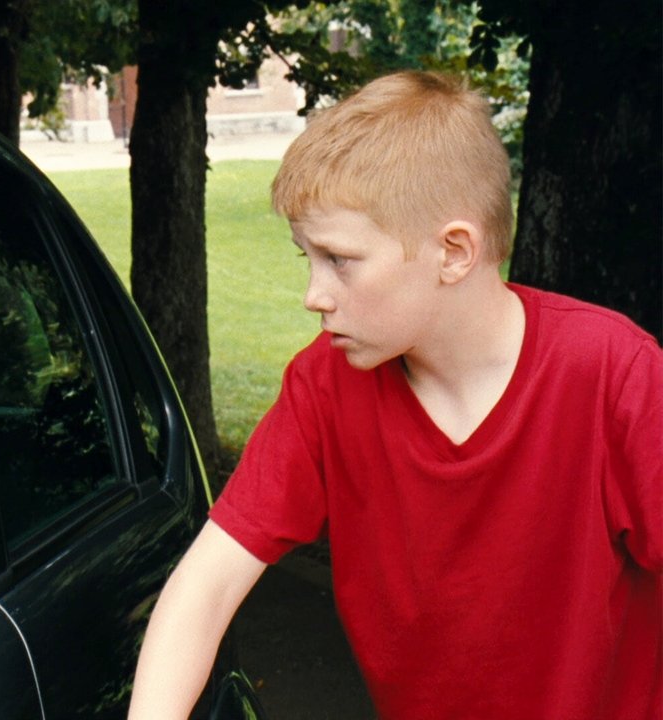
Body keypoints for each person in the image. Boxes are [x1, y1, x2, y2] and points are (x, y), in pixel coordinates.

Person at [127, 71, 662, 719]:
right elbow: (204, 588)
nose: (314, 295)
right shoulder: (324, 386)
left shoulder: (615, 376)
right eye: (307, 259)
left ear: (454, 252)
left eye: (340, 260)